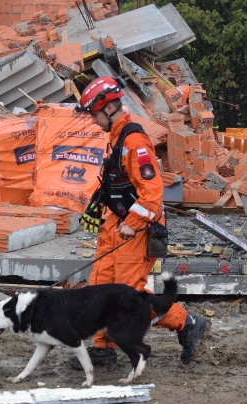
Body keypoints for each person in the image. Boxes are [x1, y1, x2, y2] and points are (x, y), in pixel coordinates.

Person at [75, 76, 207, 366]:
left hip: (137, 229)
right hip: (116, 222)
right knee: (100, 286)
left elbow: (152, 194)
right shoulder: (115, 138)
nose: (94, 122)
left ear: (109, 109)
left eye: (95, 115)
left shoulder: (135, 142)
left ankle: (187, 323)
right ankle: (104, 347)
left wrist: (131, 223)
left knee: (129, 296)